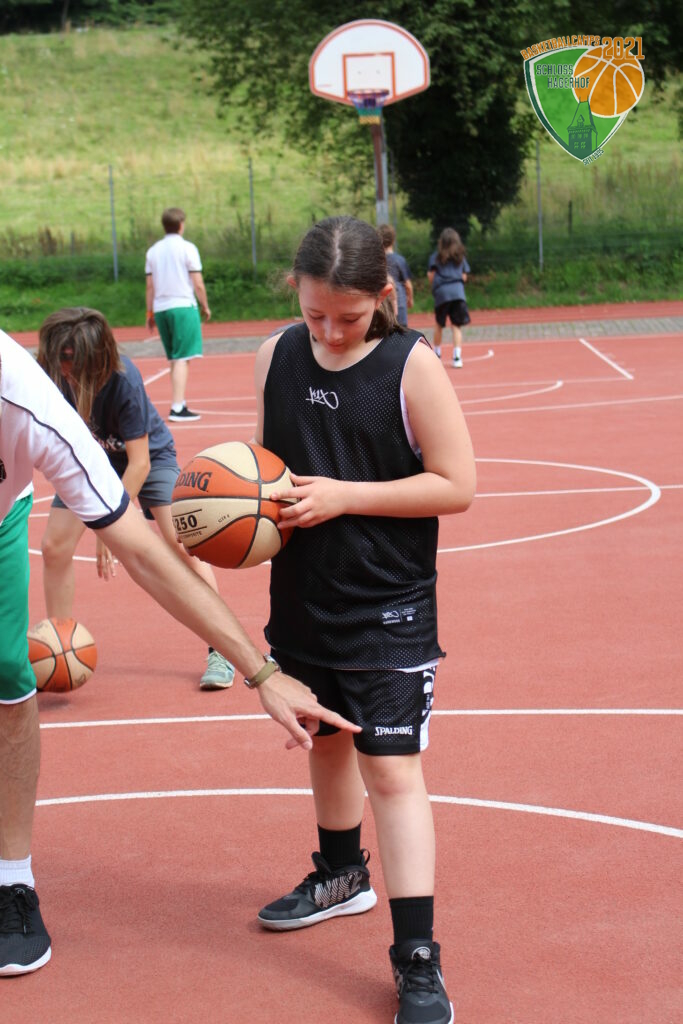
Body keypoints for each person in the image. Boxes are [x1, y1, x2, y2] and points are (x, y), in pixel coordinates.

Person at [0, 327, 359, 977]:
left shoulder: (24, 400)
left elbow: (145, 554)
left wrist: (261, 671)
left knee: (6, 682)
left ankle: (11, 881)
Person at [252, 216, 476, 1024]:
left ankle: (416, 955)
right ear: (295, 291)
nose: (329, 331)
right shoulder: (274, 356)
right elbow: (262, 473)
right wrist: (236, 518)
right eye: (314, 313)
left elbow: (455, 484)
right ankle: (340, 873)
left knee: (390, 770)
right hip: (301, 595)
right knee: (324, 739)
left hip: (388, 603)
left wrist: (345, 495)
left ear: (383, 296)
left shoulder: (410, 365)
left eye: (347, 316)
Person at [37, 307, 233, 691]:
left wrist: (106, 527)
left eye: (70, 358)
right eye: (58, 357)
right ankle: (58, 649)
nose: (63, 366)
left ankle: (222, 648)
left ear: (96, 356)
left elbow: (139, 463)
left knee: (182, 544)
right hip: (91, 461)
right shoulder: (53, 374)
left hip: (147, 459)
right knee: (54, 546)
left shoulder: (122, 378)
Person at [145, 207, 210, 422]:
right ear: (181, 225)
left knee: (174, 359)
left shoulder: (153, 251)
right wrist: (205, 305)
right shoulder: (188, 248)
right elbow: (198, 283)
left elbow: (149, 286)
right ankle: (177, 407)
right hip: (182, 306)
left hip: (161, 308)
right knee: (182, 358)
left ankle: (178, 402)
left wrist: (149, 312)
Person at [427, 228, 471, 367]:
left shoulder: (436, 257)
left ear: (441, 241)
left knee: (439, 324)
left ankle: (437, 354)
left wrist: (435, 285)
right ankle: (457, 357)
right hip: (458, 293)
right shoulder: (460, 257)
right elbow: (464, 276)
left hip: (442, 293)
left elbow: (431, 275)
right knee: (456, 325)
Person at [377, 223, 414, 327]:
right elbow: (408, 285)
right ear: (393, 240)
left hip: (381, 304)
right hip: (399, 302)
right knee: (401, 331)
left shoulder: (377, 260)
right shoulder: (400, 260)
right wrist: (410, 299)